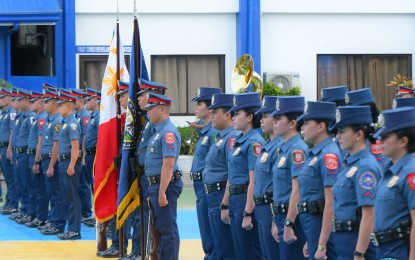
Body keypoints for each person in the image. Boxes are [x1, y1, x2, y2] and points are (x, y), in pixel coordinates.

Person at [328, 106, 380, 259]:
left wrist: (359, 253)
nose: (338, 137)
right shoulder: (350, 164)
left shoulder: (365, 167)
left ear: (358, 134)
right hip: (343, 240)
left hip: (355, 241)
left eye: (342, 132)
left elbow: (369, 215)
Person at [296, 101, 342, 260]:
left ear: (321, 126)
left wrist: (322, 244)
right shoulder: (315, 153)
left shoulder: (329, 155)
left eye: (307, 122)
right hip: (312, 226)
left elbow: (330, 203)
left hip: (321, 223)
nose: (302, 126)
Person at [221, 92, 264, 260]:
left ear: (249, 117)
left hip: (245, 200)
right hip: (235, 199)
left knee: (250, 252)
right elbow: (231, 175)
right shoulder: (240, 140)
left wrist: (248, 212)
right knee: (240, 251)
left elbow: (254, 180)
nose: (233, 117)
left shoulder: (254, 143)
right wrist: (225, 203)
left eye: (237, 113)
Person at [128, 79, 167, 259]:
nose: (139, 100)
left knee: (153, 220)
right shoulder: (148, 123)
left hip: (153, 177)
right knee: (142, 216)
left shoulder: (157, 126)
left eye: (143, 95)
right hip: (144, 175)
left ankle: (148, 252)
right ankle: (141, 251)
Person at [371, 107, 415, 259]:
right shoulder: (389, 170)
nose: (380, 142)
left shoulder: (411, 172)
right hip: (383, 248)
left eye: (385, 137)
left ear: (403, 141)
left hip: (399, 248)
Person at [145, 93, 183, 260]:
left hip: (164, 186)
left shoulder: (168, 132)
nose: (148, 111)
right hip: (156, 185)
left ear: (162, 109)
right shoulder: (157, 131)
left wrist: (161, 192)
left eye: (151, 108)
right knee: (161, 229)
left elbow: (168, 165)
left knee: (168, 231)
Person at [270, 96, 308, 259]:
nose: (274, 122)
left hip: (292, 220)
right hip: (281, 216)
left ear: (293, 123)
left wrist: (288, 223)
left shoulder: (297, 150)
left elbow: (297, 190)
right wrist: (275, 220)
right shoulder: (283, 149)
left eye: (279, 118)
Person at [203, 93, 238, 259]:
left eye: (215, 112)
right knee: (218, 244)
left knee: (225, 247)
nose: (212, 116)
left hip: (221, 195)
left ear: (227, 114)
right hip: (213, 196)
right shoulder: (220, 137)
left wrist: (225, 203)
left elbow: (233, 173)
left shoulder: (231, 138)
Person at [190, 87, 221, 260]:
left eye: (199, 103)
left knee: (211, 232)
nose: (196, 107)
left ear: (210, 108)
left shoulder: (214, 132)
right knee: (206, 229)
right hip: (200, 186)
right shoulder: (206, 131)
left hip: (207, 186)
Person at [252, 95, 282, 260]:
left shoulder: (279, 148)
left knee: (273, 255)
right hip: (261, 209)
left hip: (271, 209)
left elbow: (279, 186)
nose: (261, 120)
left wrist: (275, 218)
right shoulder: (267, 146)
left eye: (265, 116)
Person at [39, 89, 66, 235]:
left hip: (52, 160)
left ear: (54, 104)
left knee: (56, 193)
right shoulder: (49, 120)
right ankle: (53, 219)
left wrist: (50, 165)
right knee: (51, 193)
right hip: (46, 159)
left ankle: (58, 223)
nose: (44, 105)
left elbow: (56, 144)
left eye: (46, 102)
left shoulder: (56, 121)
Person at [56, 91, 82, 240]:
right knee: (67, 196)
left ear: (69, 107)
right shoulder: (65, 123)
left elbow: (75, 146)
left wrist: (72, 165)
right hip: (63, 161)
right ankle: (70, 227)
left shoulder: (72, 124)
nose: (59, 109)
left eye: (61, 106)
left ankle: (74, 230)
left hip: (69, 162)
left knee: (72, 197)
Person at [13, 88, 36, 225]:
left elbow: (33, 137)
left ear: (26, 101)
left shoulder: (31, 117)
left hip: (27, 153)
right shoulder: (22, 116)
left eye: (19, 100)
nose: (17, 102)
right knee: (22, 184)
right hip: (20, 153)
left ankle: (31, 212)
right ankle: (25, 209)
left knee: (30, 186)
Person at [26, 91, 48, 228]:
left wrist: (36, 161)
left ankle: (42, 217)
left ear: (40, 103)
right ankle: (36, 214)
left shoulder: (42, 118)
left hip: (37, 156)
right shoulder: (38, 117)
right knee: (34, 188)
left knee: (41, 189)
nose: (31, 104)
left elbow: (40, 141)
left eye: (33, 101)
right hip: (32, 154)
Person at [81, 88, 100, 228]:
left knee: (96, 186)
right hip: (89, 154)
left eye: (89, 99)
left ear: (96, 100)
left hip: (95, 155)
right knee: (92, 186)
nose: (86, 102)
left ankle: (99, 216)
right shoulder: (93, 116)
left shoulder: (99, 117)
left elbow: (100, 139)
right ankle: (96, 215)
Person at [0, 88, 18, 215]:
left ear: (8, 98)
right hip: (1, 146)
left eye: (2, 98)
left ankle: (13, 204)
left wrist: (9, 148)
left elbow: (12, 131)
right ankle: (8, 202)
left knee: (10, 178)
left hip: (6, 146)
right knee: (6, 177)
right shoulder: (4, 113)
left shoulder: (12, 113)